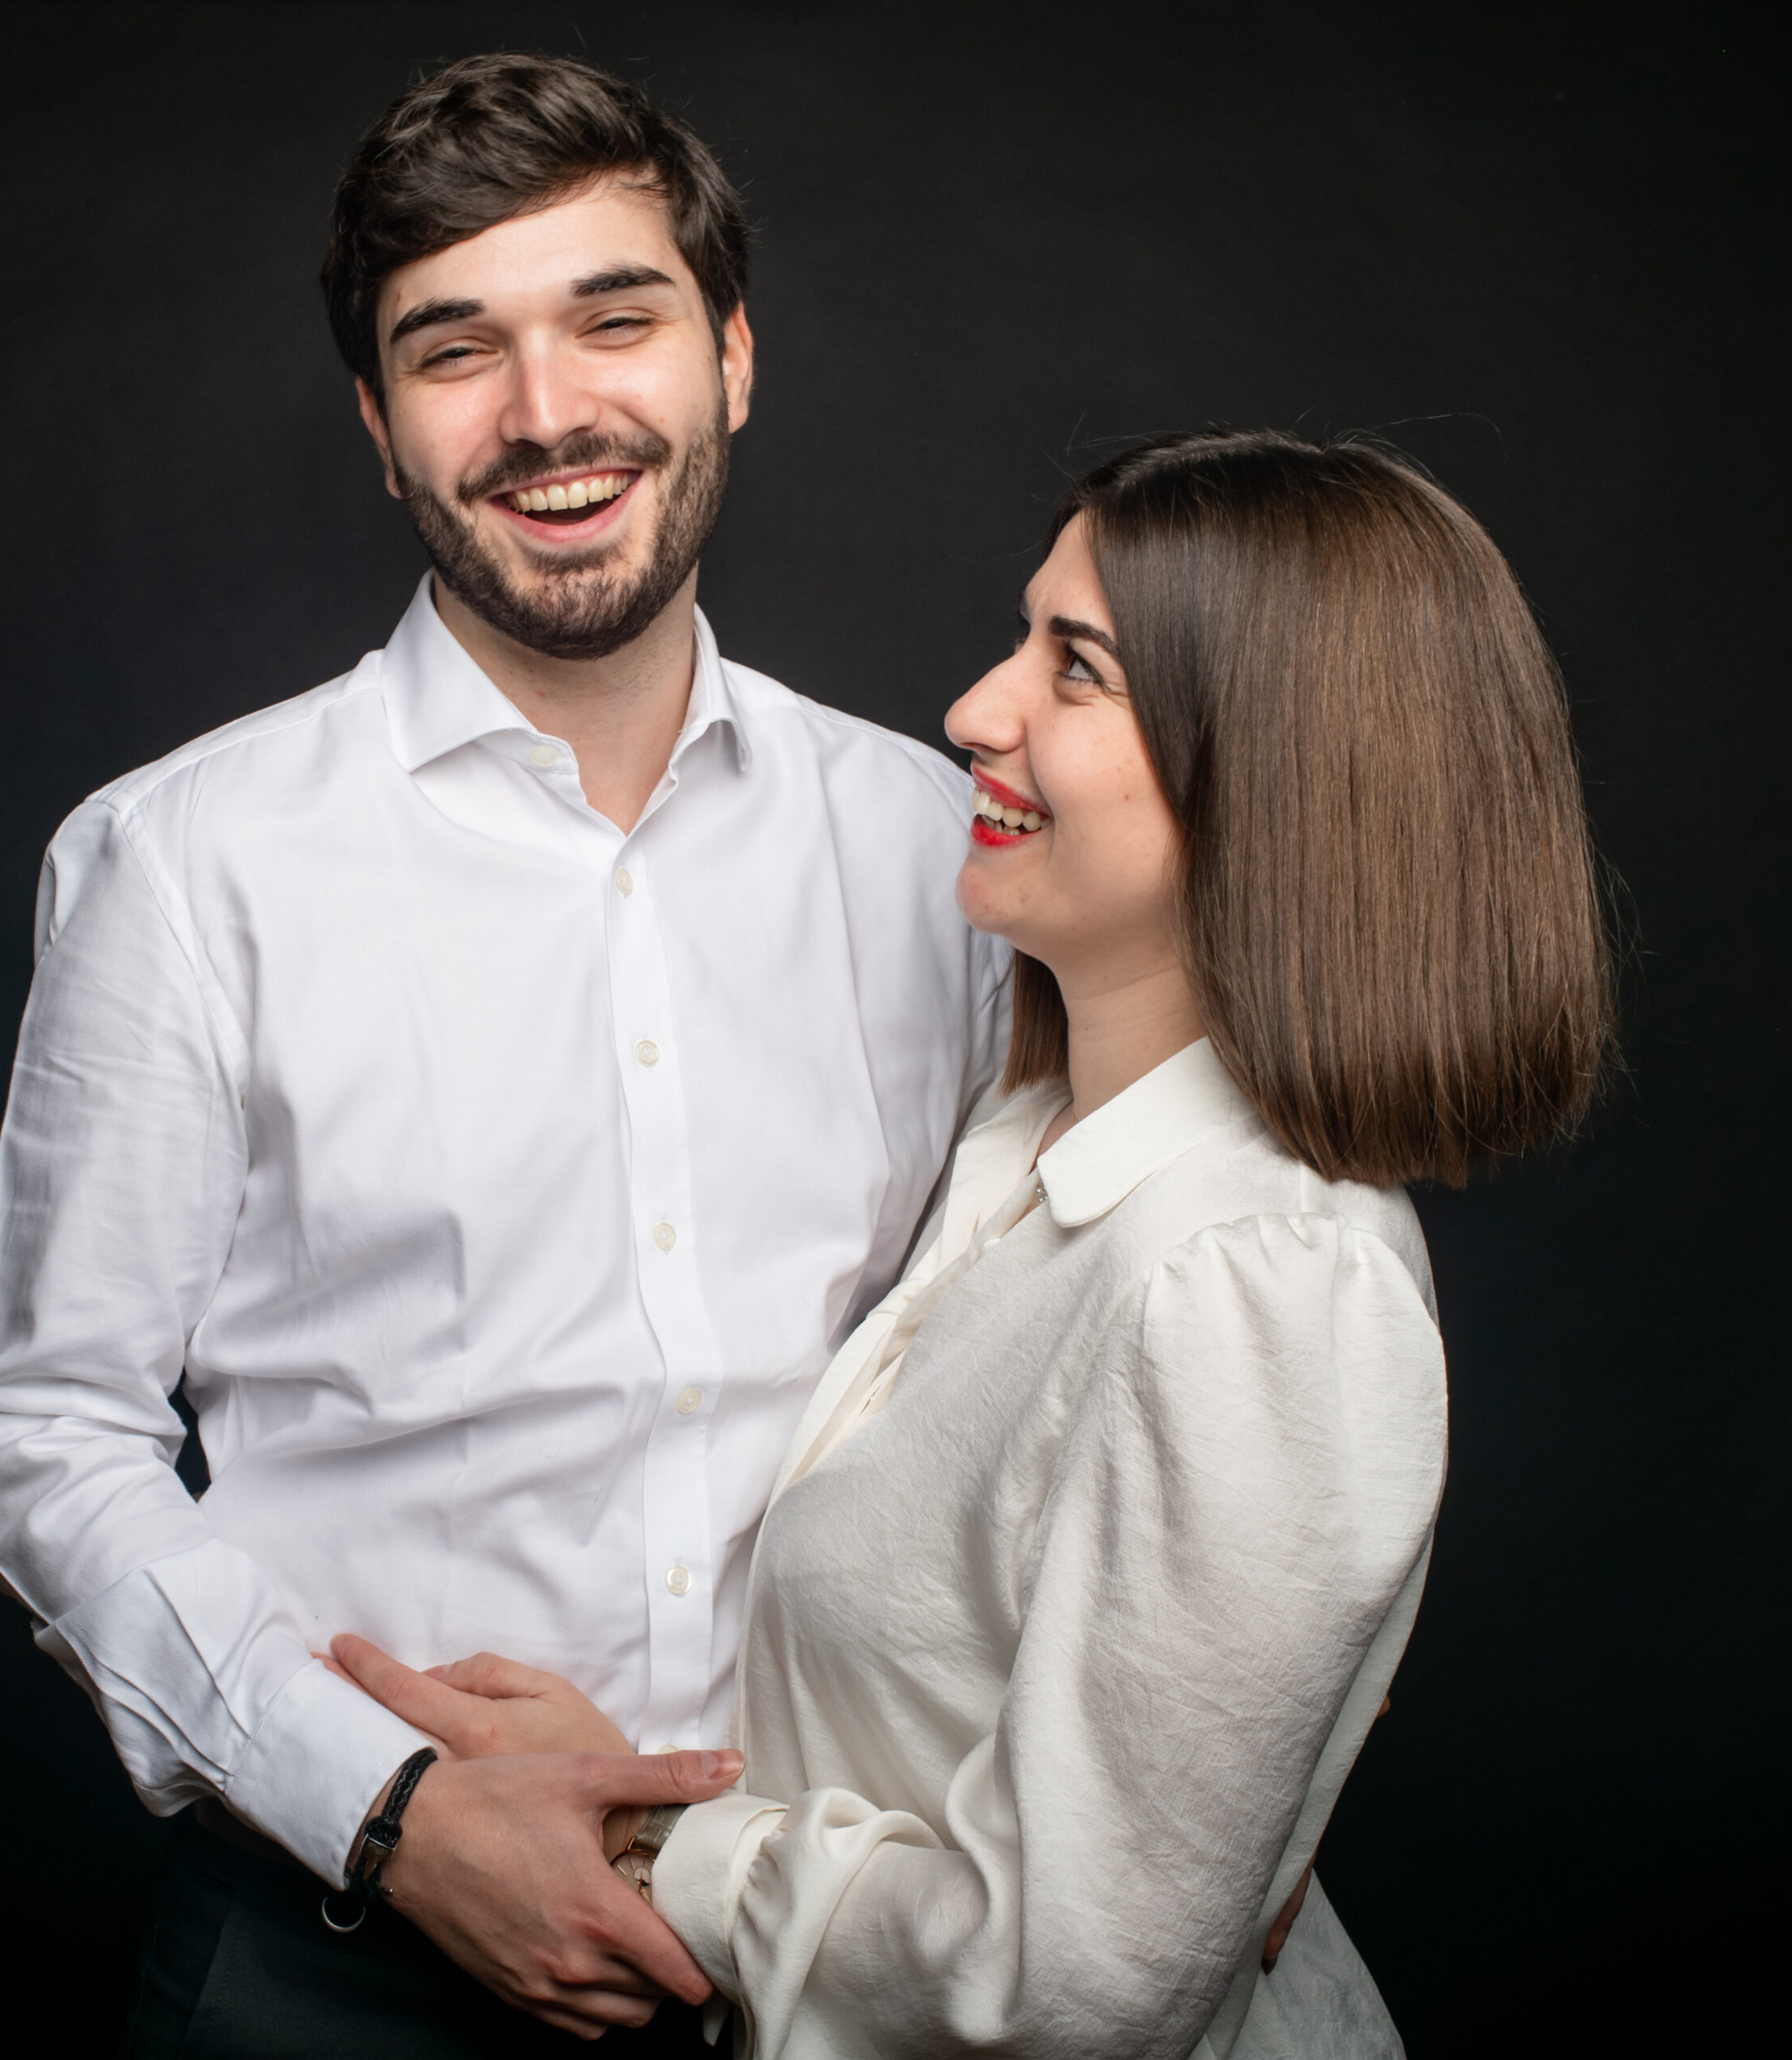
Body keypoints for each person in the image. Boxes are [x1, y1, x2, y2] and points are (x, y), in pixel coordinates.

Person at [0, 53, 1011, 2055]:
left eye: (615, 317)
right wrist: (389, 1805)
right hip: (328, 1972)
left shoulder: (940, 844)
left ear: (733, 355)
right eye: (455, 349)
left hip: (833, 1934)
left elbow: (1034, 1366)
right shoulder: (184, 863)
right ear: (376, 422)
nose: (545, 415)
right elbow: (44, 1429)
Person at [333, 429, 1615, 2057]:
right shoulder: (1026, 1150)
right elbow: (948, 1710)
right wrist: (623, 1756)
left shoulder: (1252, 1281)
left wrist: (658, 1843)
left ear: (1274, 769)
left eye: (1072, 667)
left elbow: (1067, 1985)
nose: (972, 711)